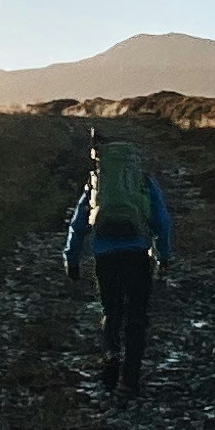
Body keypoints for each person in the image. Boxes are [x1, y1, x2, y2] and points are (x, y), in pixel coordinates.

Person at [63, 129, 176, 403]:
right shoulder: (143, 181)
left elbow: (78, 223)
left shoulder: (96, 183)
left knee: (111, 311)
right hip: (138, 255)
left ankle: (111, 358)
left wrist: (71, 258)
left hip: (105, 256)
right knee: (137, 317)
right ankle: (130, 380)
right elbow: (162, 220)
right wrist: (163, 255)